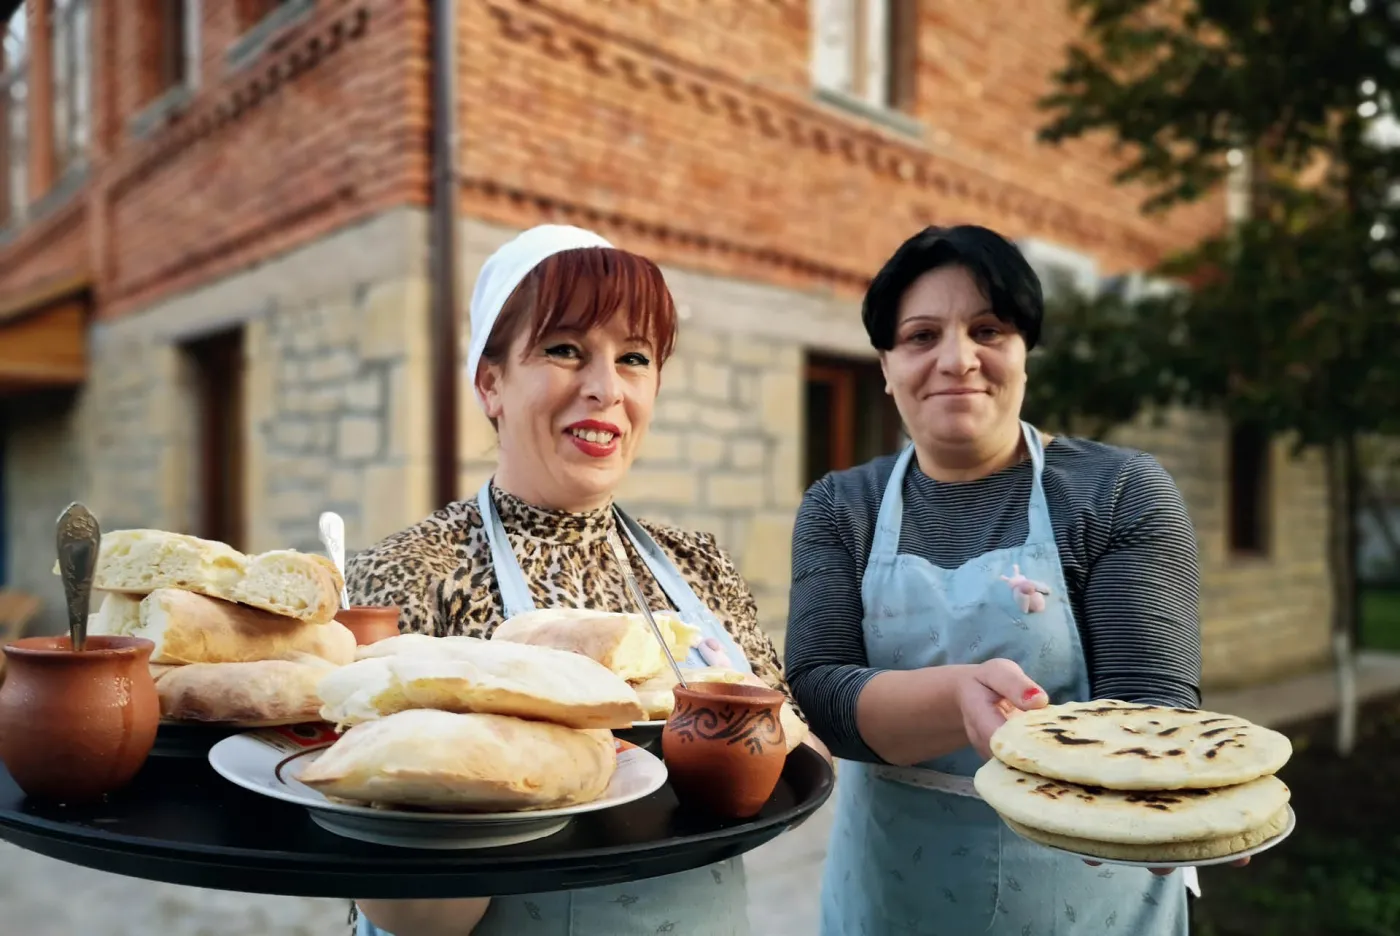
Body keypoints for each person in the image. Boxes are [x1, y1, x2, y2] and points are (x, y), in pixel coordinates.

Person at [344, 224, 821, 936]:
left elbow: (797, 758)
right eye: (565, 350)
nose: (605, 389)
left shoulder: (696, 564)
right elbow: (407, 904)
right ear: (490, 381)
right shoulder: (414, 571)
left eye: (634, 358)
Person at [783, 224, 1237, 935]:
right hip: (894, 893)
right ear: (885, 363)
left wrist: (1174, 802)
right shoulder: (841, 507)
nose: (957, 359)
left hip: (1084, 883)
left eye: (988, 330)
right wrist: (957, 697)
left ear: (1024, 351)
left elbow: (1151, 704)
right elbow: (817, 692)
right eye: (922, 336)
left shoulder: (1116, 491)